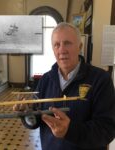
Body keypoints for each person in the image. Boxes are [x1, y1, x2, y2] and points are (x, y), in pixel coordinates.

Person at [13, 22, 115, 150]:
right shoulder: (45, 80)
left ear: (80, 46)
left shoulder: (101, 79)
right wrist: (27, 115)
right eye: (57, 45)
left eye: (67, 43)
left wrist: (70, 130)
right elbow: (36, 120)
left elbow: (107, 130)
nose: (62, 50)